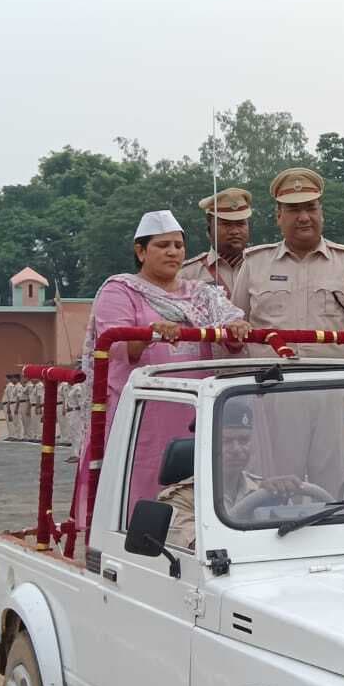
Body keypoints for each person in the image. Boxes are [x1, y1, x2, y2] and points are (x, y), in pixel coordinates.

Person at [73, 210, 250, 523]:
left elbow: (230, 328)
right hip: (145, 414)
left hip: (195, 410)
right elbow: (118, 347)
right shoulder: (120, 290)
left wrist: (236, 327)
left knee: (196, 481)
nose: (173, 252)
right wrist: (154, 332)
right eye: (162, 245)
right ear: (140, 252)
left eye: (179, 246)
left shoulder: (200, 293)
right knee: (141, 479)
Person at [230, 167, 344, 359]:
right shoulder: (255, 263)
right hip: (273, 382)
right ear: (279, 216)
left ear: (321, 213)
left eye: (311, 208)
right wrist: (235, 325)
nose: (304, 217)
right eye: (294, 209)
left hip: (335, 382)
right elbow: (235, 318)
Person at [159, 403, 332, 549]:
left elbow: (293, 542)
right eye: (226, 441)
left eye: (243, 440)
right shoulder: (180, 499)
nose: (236, 449)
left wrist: (282, 496)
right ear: (205, 446)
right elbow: (200, 548)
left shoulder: (264, 489)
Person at [180, 187, 252, 296]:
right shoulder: (188, 274)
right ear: (209, 230)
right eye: (226, 224)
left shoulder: (263, 267)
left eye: (240, 224)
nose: (235, 231)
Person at [64, 379, 84, 464]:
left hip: (76, 412)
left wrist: (82, 414)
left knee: (77, 434)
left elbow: (81, 403)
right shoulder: (71, 388)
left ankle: (78, 455)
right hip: (70, 413)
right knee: (72, 434)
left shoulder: (77, 388)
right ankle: (73, 454)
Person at [2, 375, 19, 440]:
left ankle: (13, 435)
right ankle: (10, 434)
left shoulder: (10, 386)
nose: (4, 380)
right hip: (6, 404)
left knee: (11, 420)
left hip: (8, 404)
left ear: (8, 379)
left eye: (5, 379)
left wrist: (8, 406)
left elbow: (10, 397)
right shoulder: (8, 386)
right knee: (8, 421)